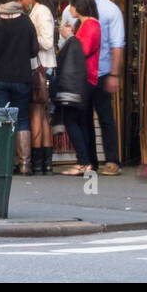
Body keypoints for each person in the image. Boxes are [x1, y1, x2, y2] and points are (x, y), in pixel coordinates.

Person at [66, 0, 123, 175]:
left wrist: (114, 74)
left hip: (103, 71)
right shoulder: (70, 10)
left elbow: (117, 44)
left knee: (106, 117)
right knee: (84, 118)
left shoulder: (109, 10)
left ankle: (112, 160)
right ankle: (90, 161)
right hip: (81, 76)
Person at [0, 0, 40, 174]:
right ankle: (25, 164)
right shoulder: (26, 22)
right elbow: (34, 50)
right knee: (21, 119)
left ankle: (3, 163)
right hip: (21, 78)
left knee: (2, 119)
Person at [15, 0, 57, 174]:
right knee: (41, 116)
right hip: (44, 68)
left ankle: (39, 161)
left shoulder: (41, 11)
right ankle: (44, 163)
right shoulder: (41, 10)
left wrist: (29, 37)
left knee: (36, 114)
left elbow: (47, 42)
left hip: (42, 69)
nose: (21, 3)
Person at [58, 0, 102, 176]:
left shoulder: (91, 26)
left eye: (72, 5)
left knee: (71, 119)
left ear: (79, 6)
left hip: (84, 80)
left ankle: (84, 162)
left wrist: (69, 36)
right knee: (82, 121)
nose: (70, 8)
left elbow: (79, 51)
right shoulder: (85, 25)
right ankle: (87, 162)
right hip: (83, 79)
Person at [54, 12, 92, 172]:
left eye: (66, 26)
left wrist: (62, 91)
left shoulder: (72, 44)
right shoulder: (75, 44)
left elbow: (68, 70)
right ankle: (85, 161)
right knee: (78, 124)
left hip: (71, 91)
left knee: (71, 124)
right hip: (77, 91)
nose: (62, 28)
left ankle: (83, 162)